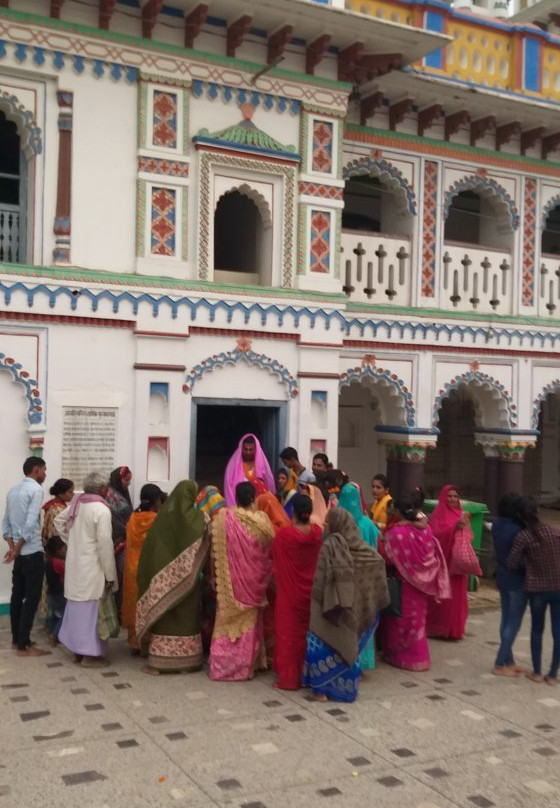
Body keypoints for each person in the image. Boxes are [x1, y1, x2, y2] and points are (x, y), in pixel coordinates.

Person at [303, 508, 389, 702]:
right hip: (352, 612)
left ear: (336, 525)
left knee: (322, 647)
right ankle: (344, 689)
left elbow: (322, 580)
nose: (325, 525)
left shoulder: (330, 545)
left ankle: (321, 692)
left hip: (327, 610)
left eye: (327, 522)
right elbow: (378, 563)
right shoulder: (363, 549)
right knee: (348, 643)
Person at [136, 480, 210, 675]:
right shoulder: (197, 518)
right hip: (188, 580)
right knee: (186, 617)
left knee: (165, 617)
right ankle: (187, 662)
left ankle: (160, 662)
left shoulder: (162, 517)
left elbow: (152, 550)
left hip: (161, 579)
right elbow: (207, 532)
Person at [209, 481, 275, 681]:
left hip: (229, 581)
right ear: (254, 498)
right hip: (253, 582)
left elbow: (214, 552)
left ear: (235, 497)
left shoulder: (223, 518)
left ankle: (222, 667)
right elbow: (269, 551)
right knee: (250, 624)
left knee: (225, 621)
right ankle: (246, 667)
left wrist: (213, 575)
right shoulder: (262, 522)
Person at [379, 495, 451, 672]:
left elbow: (387, 556)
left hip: (404, 583)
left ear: (397, 511)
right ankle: (419, 657)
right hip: (421, 585)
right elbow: (429, 553)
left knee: (400, 619)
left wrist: (382, 539)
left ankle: (399, 656)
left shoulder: (396, 533)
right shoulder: (426, 530)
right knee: (417, 621)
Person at [55, 471, 117, 668]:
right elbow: (105, 545)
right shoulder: (101, 510)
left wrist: (74, 542)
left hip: (76, 567)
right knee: (92, 614)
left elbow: (58, 522)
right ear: (101, 489)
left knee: (77, 610)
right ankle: (91, 655)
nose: (108, 491)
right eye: (106, 488)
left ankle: (77, 652)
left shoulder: (78, 503)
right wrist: (110, 574)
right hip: (92, 569)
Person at [507, 496, 560, 685]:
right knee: (557, 631)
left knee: (537, 630)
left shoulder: (524, 536)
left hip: (537, 589)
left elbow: (512, 563)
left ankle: (537, 672)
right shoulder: (554, 531)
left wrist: (528, 564)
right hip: (558, 587)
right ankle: (553, 674)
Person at [272, 494, 322, 690]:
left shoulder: (284, 536)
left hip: (289, 593)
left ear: (293, 511)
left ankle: (289, 679)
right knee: (309, 635)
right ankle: (309, 675)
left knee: (289, 636)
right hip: (312, 593)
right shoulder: (318, 533)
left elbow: (274, 562)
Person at [3, 457, 49, 657]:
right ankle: (24, 645)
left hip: (20, 555)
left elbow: (6, 524)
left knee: (16, 596)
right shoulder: (36, 490)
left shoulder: (13, 491)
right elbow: (30, 523)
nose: (45, 474)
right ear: (36, 470)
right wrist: (18, 547)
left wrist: (13, 548)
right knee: (32, 597)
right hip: (32, 552)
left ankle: (17, 639)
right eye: (44, 470)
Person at [338, 482, 380, 670]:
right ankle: (363, 661)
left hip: (345, 582)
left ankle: (347, 660)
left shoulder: (337, 526)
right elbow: (377, 549)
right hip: (367, 580)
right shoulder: (368, 524)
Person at [121, 484, 165, 654]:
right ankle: (146, 641)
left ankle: (134, 643)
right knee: (148, 603)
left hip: (132, 567)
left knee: (134, 604)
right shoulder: (156, 519)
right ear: (156, 500)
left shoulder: (132, 518)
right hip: (149, 567)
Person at [426, 484, 472, 641]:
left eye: (455, 496)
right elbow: (434, 537)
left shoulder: (461, 513)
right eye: (449, 496)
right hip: (443, 563)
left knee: (458, 598)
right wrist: (453, 528)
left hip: (457, 563)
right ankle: (439, 629)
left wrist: (464, 528)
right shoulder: (437, 515)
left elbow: (469, 537)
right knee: (444, 600)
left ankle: (455, 630)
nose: (452, 499)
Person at [492, 493, 527, 677]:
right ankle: (500, 663)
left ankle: (509, 660)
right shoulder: (518, 531)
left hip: (502, 576)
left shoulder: (497, 524)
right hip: (516, 579)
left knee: (506, 619)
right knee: (513, 622)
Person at [106, 466, 133, 606]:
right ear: (118, 479)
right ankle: (118, 608)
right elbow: (116, 521)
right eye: (125, 481)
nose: (127, 484)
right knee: (118, 575)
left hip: (122, 540)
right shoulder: (112, 496)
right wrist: (129, 530)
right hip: (116, 541)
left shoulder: (119, 493)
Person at [224, 434, 275, 506]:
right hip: (238, 506)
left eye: (251, 450)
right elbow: (228, 488)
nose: (248, 452)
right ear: (241, 449)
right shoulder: (233, 466)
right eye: (246, 449)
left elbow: (269, 485)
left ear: (256, 449)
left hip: (259, 506)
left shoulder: (262, 465)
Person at [44, 535, 67, 647]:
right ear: (58, 550)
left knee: (52, 615)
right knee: (63, 615)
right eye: (64, 549)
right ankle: (55, 635)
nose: (66, 551)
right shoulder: (58, 563)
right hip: (59, 593)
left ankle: (51, 634)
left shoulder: (48, 561)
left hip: (51, 592)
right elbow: (66, 574)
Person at [41, 478, 74, 545]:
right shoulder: (59, 510)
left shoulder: (51, 505)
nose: (73, 494)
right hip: (57, 545)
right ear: (60, 494)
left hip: (49, 543)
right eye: (70, 492)